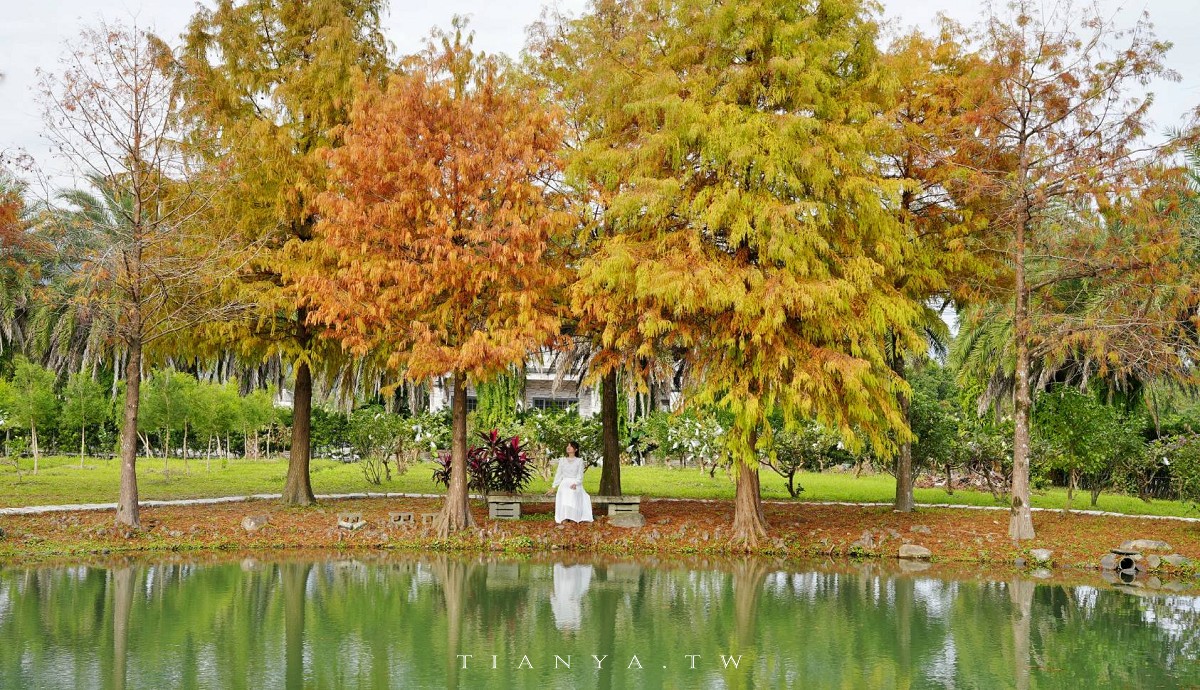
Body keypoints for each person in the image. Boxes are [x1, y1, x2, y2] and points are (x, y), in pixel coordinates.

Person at [552, 441, 593, 524]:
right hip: (564, 483)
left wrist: (576, 483)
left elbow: (580, 474)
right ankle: (564, 517)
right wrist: (554, 486)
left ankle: (574, 517)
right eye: (568, 446)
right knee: (564, 493)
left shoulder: (579, 461)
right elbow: (559, 474)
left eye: (570, 446)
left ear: (576, 449)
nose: (568, 447)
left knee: (573, 494)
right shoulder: (562, 460)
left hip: (575, 483)